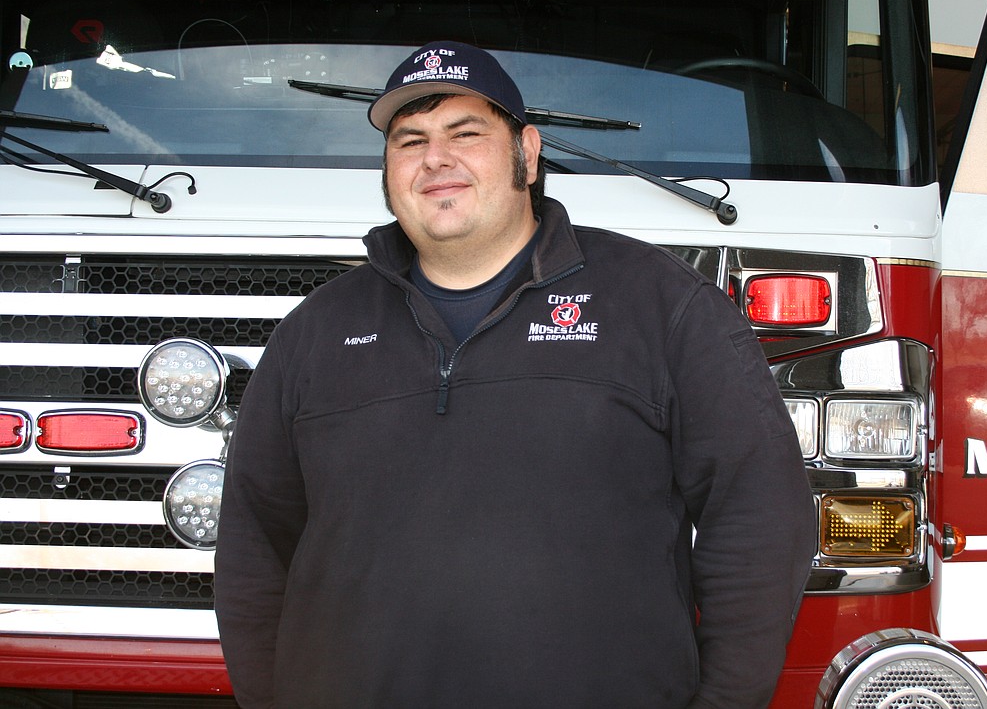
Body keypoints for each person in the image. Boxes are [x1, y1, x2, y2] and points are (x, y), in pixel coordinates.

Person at [214, 40, 816, 709]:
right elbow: (253, 548)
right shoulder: (314, 333)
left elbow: (761, 520)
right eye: (409, 141)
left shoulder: (662, 307)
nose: (435, 158)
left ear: (527, 153)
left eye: (465, 133)